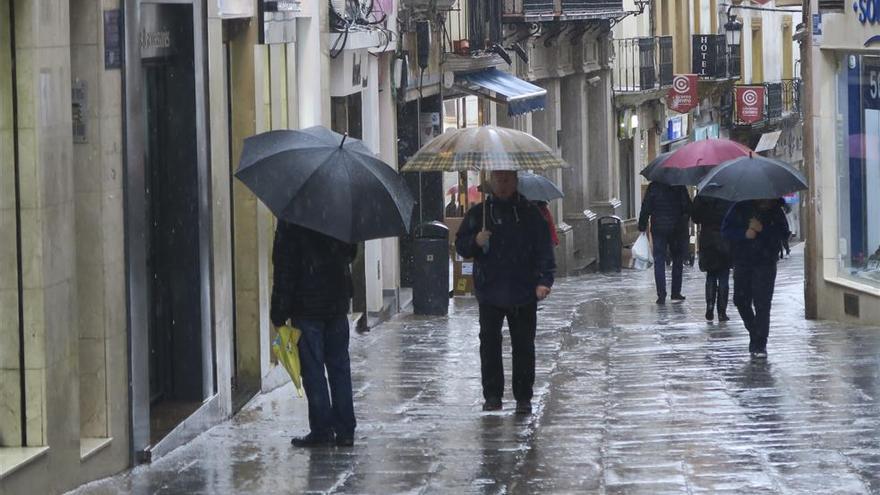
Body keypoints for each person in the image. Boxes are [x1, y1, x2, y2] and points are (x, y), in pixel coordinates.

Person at [455, 170, 556, 415]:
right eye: (498, 180)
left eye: (507, 180)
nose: (502, 185)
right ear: (490, 181)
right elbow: (461, 245)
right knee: (489, 345)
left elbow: (544, 249)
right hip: (490, 289)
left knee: (523, 346)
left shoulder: (529, 214)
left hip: (522, 290)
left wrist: (544, 281)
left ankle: (523, 397)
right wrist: (475, 242)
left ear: (515, 182)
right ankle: (492, 396)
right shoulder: (479, 214)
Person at [270, 221, 358, 447]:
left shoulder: (292, 220)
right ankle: (345, 429)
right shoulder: (338, 212)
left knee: (313, 371)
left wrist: (279, 312)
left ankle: (322, 430)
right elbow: (351, 252)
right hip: (337, 303)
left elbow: (284, 268)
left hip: (307, 307)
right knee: (340, 367)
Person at [722, 198, 791, 358]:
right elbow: (726, 231)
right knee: (740, 300)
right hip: (743, 261)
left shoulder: (776, 210)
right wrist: (745, 233)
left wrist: (763, 229)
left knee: (762, 303)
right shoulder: (739, 207)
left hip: (766, 262)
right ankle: (755, 331)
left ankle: (760, 345)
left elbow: (784, 234)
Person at [638, 182, 692, 304]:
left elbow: (646, 207)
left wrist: (642, 224)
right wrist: (683, 219)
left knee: (659, 261)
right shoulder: (679, 186)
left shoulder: (654, 186)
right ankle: (676, 292)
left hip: (659, 228)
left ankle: (661, 294)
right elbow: (688, 208)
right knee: (677, 260)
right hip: (677, 229)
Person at [692, 196, 733, 322]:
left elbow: (695, 218)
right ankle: (722, 312)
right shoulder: (728, 194)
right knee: (723, 275)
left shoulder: (702, 196)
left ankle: (710, 306)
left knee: (711, 274)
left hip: (707, 238)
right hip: (725, 238)